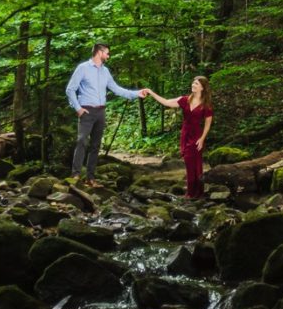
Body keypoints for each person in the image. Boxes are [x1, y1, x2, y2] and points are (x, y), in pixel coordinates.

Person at [65, 42, 149, 187]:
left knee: (96, 145)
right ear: (99, 52)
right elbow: (70, 89)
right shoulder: (83, 68)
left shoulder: (105, 71)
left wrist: (137, 93)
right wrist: (78, 108)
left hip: (101, 111)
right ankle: (76, 175)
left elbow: (117, 89)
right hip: (86, 110)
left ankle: (90, 178)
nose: (108, 56)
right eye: (107, 53)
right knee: (82, 141)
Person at [145, 76, 214, 200]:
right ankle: (192, 192)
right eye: (193, 82)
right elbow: (166, 102)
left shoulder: (206, 104)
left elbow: (208, 123)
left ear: (202, 87)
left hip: (197, 136)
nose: (193, 84)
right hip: (185, 135)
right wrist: (151, 92)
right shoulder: (185, 100)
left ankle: (195, 193)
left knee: (196, 164)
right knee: (188, 162)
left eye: (196, 83)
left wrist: (203, 138)